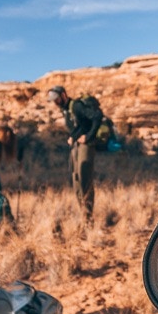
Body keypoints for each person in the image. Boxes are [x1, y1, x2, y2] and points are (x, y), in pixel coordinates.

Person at [47, 85, 103, 223]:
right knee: (76, 179)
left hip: (86, 145)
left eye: (57, 99)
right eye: (53, 100)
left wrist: (88, 137)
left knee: (84, 178)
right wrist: (73, 136)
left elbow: (97, 116)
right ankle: (84, 214)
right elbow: (81, 125)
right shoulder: (66, 110)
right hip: (76, 145)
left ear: (63, 95)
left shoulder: (76, 106)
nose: (55, 102)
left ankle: (88, 217)